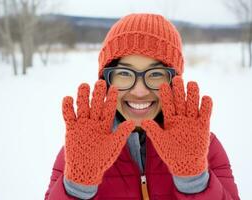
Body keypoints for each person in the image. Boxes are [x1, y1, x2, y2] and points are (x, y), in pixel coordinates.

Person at [44, 13, 240, 200]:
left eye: (155, 74)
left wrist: (194, 181)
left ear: (174, 82)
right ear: (106, 81)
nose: (139, 91)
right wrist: (78, 188)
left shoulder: (205, 146)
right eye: (124, 73)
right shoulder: (79, 147)